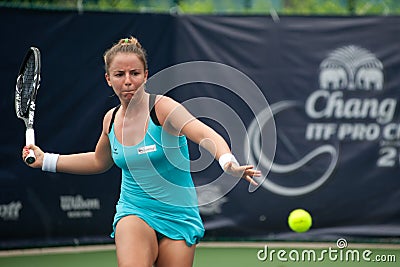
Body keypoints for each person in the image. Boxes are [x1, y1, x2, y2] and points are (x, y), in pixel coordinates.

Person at [22, 36, 261, 267]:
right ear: (108, 79)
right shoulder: (111, 120)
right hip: (134, 209)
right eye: (119, 74)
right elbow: (99, 161)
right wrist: (47, 160)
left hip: (179, 215)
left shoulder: (163, 109)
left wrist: (226, 161)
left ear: (146, 75)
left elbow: (204, 134)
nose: (128, 81)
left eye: (135, 73)